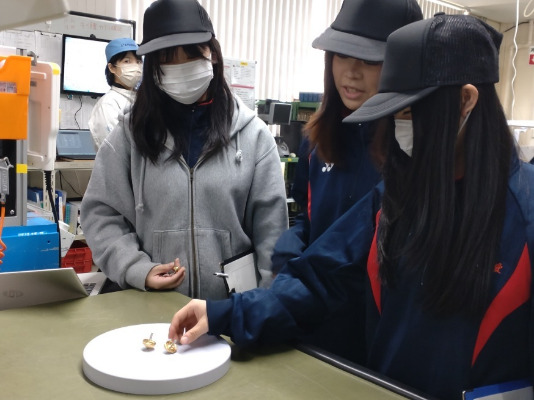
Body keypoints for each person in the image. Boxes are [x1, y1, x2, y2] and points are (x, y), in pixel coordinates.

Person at [169, 14, 534, 400]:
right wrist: (227, 313)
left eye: (409, 111)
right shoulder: (395, 197)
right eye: (393, 113)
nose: (399, 128)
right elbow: (321, 277)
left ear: (465, 101)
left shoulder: (523, 213)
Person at [80, 0, 288, 300]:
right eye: (167, 58)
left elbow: (273, 233)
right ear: (153, 66)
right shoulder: (130, 135)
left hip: (229, 311)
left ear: (212, 53)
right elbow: (101, 214)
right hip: (153, 309)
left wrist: (265, 307)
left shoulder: (253, 136)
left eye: (191, 53)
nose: (180, 66)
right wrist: (136, 268)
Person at [269, 0, 422, 363]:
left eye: (369, 60)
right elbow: (308, 216)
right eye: (341, 55)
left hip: (380, 336)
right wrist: (292, 248)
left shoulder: (413, 148)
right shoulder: (316, 139)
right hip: (316, 320)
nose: (351, 73)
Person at [88, 38, 143, 148]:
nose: (135, 67)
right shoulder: (107, 105)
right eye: (127, 61)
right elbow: (115, 150)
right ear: (112, 67)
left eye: (138, 62)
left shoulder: (143, 100)